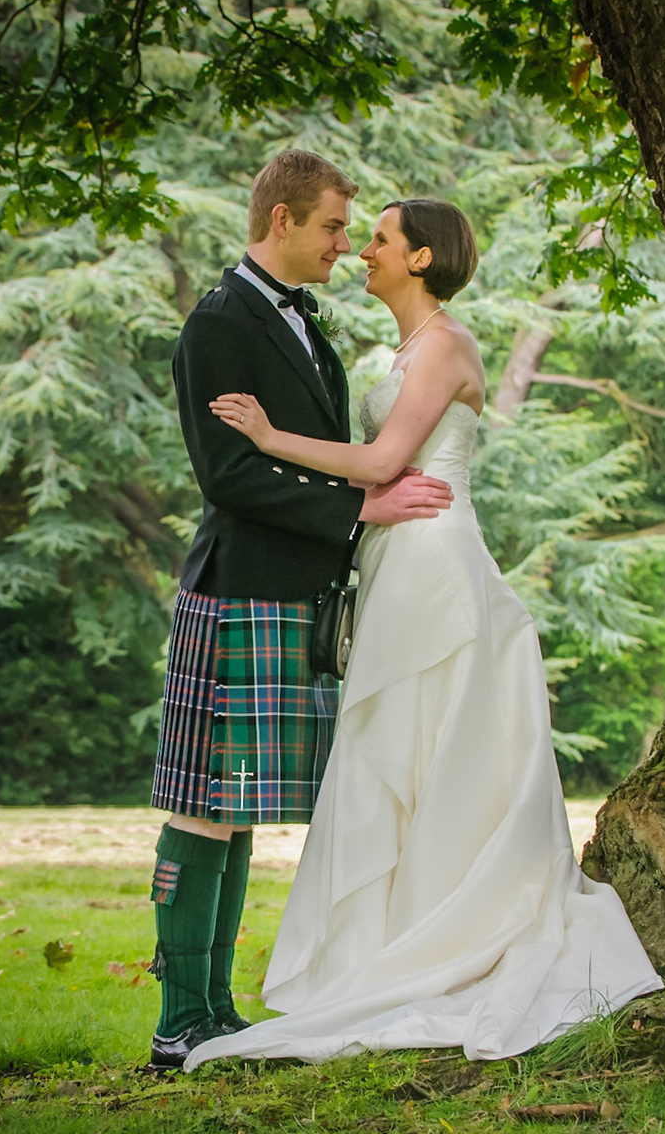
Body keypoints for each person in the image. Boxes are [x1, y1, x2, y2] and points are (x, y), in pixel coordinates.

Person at [184, 198, 663, 1069]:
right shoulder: (403, 349)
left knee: (430, 742)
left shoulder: (447, 344)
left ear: (422, 256)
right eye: (355, 234)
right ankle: (387, 937)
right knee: (389, 749)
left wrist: (266, 434)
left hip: (435, 560)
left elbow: (378, 464)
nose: (361, 249)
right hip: (393, 561)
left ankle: (450, 931)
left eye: (378, 238)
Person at [145, 152, 457, 1071]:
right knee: (202, 805)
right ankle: (177, 1017)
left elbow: (321, 449)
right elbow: (228, 472)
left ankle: (217, 1008)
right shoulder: (219, 321)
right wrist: (360, 510)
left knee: (235, 808)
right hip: (237, 589)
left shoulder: (304, 323)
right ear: (280, 220)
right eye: (330, 227)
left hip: (292, 593)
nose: (343, 247)